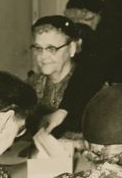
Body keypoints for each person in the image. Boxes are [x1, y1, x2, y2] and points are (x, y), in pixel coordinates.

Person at [25, 15, 107, 143]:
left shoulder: (92, 87)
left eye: (52, 49)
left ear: (72, 48)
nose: (43, 56)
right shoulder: (30, 86)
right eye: (38, 48)